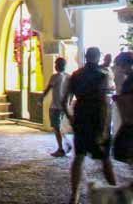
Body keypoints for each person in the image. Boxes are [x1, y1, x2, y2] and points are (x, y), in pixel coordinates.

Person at [64, 46, 117, 204]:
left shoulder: (76, 75)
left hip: (81, 116)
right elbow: (107, 97)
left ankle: (74, 195)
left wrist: (71, 118)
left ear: (86, 56)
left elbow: (64, 101)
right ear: (98, 57)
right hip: (98, 118)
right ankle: (115, 191)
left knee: (78, 157)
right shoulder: (103, 74)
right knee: (105, 158)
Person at [42, 56, 71, 157]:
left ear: (58, 65)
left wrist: (41, 99)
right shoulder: (68, 76)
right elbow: (71, 92)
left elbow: (48, 89)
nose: (55, 66)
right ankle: (65, 143)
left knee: (56, 127)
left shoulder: (55, 77)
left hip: (55, 106)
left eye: (56, 64)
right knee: (59, 126)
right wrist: (69, 102)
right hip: (64, 106)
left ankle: (61, 148)